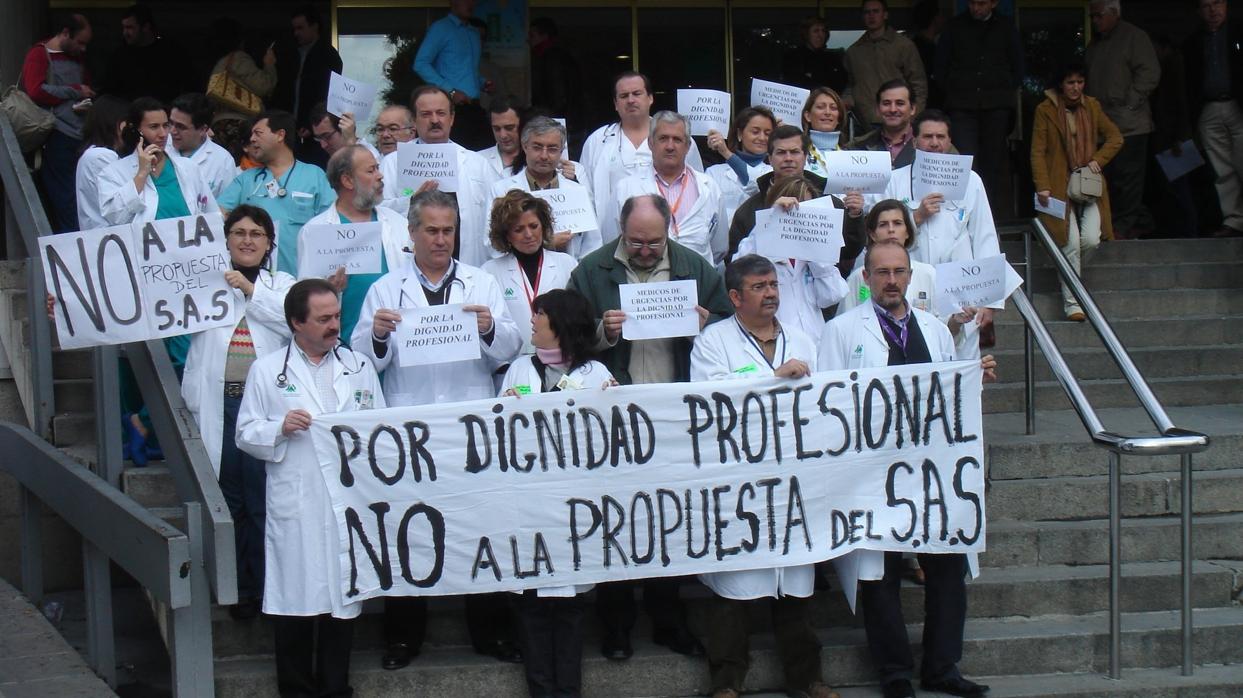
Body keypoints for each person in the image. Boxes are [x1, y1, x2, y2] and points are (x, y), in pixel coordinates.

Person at [351, 189, 522, 671]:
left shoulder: (481, 282)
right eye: (431, 230)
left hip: (470, 421)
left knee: (480, 526)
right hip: (409, 423)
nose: (441, 239)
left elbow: (508, 349)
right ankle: (403, 637)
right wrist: (379, 335)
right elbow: (362, 356)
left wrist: (490, 327)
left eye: (448, 231)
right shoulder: (386, 288)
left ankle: (490, 630)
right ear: (412, 233)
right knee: (408, 530)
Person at [818, 240, 995, 698]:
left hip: (932, 472)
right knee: (880, 573)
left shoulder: (935, 329)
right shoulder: (840, 331)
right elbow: (827, 404)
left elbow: (949, 399)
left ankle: (942, 667)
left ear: (911, 277)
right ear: (866, 278)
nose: (891, 280)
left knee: (947, 566)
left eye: (899, 272)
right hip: (871, 474)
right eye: (882, 273)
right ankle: (895, 672)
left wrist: (974, 377)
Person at [567, 193, 732, 661]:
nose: (644, 250)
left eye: (653, 241)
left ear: (670, 229)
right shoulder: (592, 269)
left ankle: (668, 621)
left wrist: (707, 322)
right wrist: (604, 333)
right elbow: (570, 338)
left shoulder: (694, 267)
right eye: (635, 242)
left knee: (669, 518)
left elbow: (728, 321)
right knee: (617, 519)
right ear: (621, 232)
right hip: (615, 413)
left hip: (674, 412)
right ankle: (616, 625)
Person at [690, 254, 840, 698]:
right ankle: (726, 682)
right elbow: (710, 403)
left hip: (794, 480)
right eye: (759, 286)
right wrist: (774, 378)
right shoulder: (713, 341)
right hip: (739, 482)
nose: (771, 292)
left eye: (773, 284)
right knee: (736, 590)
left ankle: (807, 679)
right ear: (735, 297)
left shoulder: (803, 338)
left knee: (795, 588)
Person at [235, 278, 384, 698]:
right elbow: (245, 433)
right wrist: (279, 428)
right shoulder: (267, 371)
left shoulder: (358, 367)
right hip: (297, 502)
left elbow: (382, 426)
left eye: (336, 316)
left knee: (343, 598)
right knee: (296, 602)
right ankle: (297, 691)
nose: (334, 325)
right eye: (323, 319)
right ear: (296, 323)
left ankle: (336, 688)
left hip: (347, 501)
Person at [497, 287, 613, 698]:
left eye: (539, 314)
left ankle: (569, 692)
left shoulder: (597, 376)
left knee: (569, 611)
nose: (532, 321)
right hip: (527, 512)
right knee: (531, 610)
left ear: (559, 324)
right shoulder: (517, 372)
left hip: (575, 513)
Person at [181, 205, 295, 620]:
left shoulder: (283, 284)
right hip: (220, 403)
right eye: (239, 232)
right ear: (225, 238)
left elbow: (292, 322)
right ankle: (240, 589)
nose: (247, 240)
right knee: (229, 500)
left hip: (263, 409)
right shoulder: (201, 283)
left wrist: (250, 291)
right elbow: (148, 310)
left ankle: (270, 588)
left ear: (269, 243)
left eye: (257, 234)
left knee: (263, 498)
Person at [879, 110, 999, 357]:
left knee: (963, 359)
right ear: (914, 141)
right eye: (928, 137)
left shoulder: (971, 181)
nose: (934, 143)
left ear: (949, 141)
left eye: (941, 137)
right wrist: (917, 216)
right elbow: (882, 235)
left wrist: (990, 301)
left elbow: (985, 236)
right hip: (911, 286)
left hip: (960, 289)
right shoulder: (895, 181)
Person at [1031, 63, 1123, 320]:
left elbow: (1115, 137)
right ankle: (1074, 303)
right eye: (1070, 82)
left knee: (1091, 239)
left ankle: (1066, 269)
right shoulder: (1045, 109)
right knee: (1069, 243)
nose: (1075, 87)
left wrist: (1098, 159)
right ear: (1061, 84)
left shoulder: (1091, 106)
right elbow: (1038, 150)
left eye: (1080, 82)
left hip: (1088, 184)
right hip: (1058, 185)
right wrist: (1043, 185)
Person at [378, 86, 499, 267]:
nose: (434, 120)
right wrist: (411, 201)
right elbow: (380, 214)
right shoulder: (392, 163)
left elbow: (496, 213)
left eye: (441, 113)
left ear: (452, 118)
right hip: (412, 265)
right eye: (426, 114)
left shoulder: (477, 163)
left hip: (468, 265)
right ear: (415, 120)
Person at [302, 145, 411, 343]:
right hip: (344, 344)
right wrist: (328, 290)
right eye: (371, 170)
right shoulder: (314, 231)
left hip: (397, 342)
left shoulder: (399, 224)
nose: (380, 176)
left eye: (378, 168)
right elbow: (304, 298)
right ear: (347, 180)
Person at [727, 125, 866, 277]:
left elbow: (848, 252)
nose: (788, 158)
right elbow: (735, 263)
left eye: (794, 152)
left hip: (821, 296)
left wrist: (854, 216)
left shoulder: (831, 204)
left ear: (805, 156)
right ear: (769, 158)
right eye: (781, 152)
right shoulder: (749, 210)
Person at [217, 110, 336, 275]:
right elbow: (216, 217)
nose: (252, 139)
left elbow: (332, 226)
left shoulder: (315, 176)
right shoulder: (245, 180)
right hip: (253, 284)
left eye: (258, 133)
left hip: (301, 282)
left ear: (280, 135)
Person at [580, 71, 704, 226]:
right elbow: (586, 196)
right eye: (624, 96)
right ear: (615, 104)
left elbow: (698, 187)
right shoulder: (597, 142)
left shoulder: (679, 139)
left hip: (672, 233)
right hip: (612, 236)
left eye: (637, 93)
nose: (631, 100)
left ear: (650, 98)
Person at [734, 177, 851, 339]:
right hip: (774, 341)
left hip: (814, 342)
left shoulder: (816, 252)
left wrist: (816, 254)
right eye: (794, 207)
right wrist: (771, 221)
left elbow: (831, 295)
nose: (801, 215)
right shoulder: (759, 242)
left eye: (807, 208)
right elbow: (739, 269)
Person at [934, 0, 1024, 208]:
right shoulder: (954, 27)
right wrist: (953, 87)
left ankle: (990, 213)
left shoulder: (1006, 26)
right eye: (973, 3)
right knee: (966, 162)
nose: (976, 8)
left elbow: (1018, 65)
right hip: (962, 106)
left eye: (982, 3)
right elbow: (940, 67)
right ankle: (964, 210)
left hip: (996, 105)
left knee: (994, 163)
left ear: (994, 3)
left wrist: (1005, 87)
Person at [605, 111, 723, 263]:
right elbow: (612, 242)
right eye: (663, 139)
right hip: (644, 281)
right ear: (650, 143)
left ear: (687, 146)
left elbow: (719, 248)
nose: (670, 146)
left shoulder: (709, 187)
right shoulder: (625, 188)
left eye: (677, 140)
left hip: (697, 280)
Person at [1085, 0, 1160, 239]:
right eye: (1092, 17)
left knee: (1129, 180)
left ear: (1114, 13)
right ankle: (1122, 223)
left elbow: (1150, 72)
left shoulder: (1134, 37)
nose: (1095, 21)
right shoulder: (1096, 44)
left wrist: (1131, 102)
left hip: (1131, 124)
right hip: (1103, 125)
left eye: (1098, 16)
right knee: (1110, 179)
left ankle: (1126, 226)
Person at [21, 12, 94, 232]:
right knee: (64, 198)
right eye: (79, 42)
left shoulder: (75, 57)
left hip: (80, 133)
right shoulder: (39, 54)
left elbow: (85, 85)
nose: (83, 49)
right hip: (57, 134)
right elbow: (35, 90)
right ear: (64, 33)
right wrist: (74, 92)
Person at [482, 190, 578, 356]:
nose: (528, 235)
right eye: (519, 229)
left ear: (544, 225)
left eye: (534, 226)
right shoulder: (490, 272)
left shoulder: (567, 263)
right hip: (512, 365)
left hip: (561, 363)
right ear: (506, 235)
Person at [490, 116, 601, 259]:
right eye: (537, 147)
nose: (544, 155)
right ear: (524, 146)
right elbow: (492, 243)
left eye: (552, 149)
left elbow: (593, 245)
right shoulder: (501, 191)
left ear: (561, 151)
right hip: (517, 273)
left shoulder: (576, 191)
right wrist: (546, 243)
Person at [98, 97, 219, 227]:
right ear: (135, 130)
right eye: (154, 127)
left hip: (189, 245)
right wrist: (141, 174)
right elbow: (115, 217)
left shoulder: (188, 167)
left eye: (165, 126)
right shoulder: (113, 173)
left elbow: (212, 216)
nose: (163, 134)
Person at [1184, 0, 1243, 237]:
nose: (1213, 10)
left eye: (1217, 3)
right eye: (1206, 5)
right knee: (1222, 169)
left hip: (1237, 105)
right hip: (1208, 107)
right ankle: (1235, 219)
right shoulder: (1193, 41)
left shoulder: (1238, 32)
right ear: (1198, 10)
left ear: (1227, 5)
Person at [837, 198, 937, 316]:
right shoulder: (857, 278)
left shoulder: (928, 273)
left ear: (907, 232)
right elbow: (845, 324)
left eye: (897, 223)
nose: (891, 230)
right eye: (883, 225)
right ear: (872, 234)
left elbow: (942, 326)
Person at [414, 0, 492, 150]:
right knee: (454, 158)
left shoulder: (474, 33)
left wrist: (483, 83)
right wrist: (450, 91)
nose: (471, 4)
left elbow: (467, 71)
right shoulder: (441, 28)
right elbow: (421, 64)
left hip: (474, 105)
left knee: (482, 153)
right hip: (451, 108)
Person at [844, 0, 927, 126]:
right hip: (865, 122)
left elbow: (918, 84)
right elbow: (849, 85)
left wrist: (914, 116)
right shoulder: (853, 51)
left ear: (885, 15)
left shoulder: (904, 46)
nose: (871, 16)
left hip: (900, 121)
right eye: (867, 12)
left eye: (876, 11)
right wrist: (848, 100)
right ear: (862, 16)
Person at [273, 5, 342, 155]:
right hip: (290, 128)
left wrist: (311, 123)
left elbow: (327, 94)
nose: (296, 33)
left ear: (314, 26)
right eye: (294, 29)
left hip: (316, 131)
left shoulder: (328, 55)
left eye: (300, 28)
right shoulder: (291, 55)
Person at [705, 107, 775, 245]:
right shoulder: (713, 172)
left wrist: (725, 152)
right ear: (740, 134)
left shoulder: (774, 172)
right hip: (721, 250)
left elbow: (754, 182)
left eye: (768, 133)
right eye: (755, 132)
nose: (762, 138)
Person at [101, 4, 190, 103]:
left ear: (145, 27)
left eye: (130, 27)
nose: (125, 32)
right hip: (128, 113)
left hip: (163, 113)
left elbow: (189, 84)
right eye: (124, 27)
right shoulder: (120, 55)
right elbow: (108, 91)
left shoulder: (171, 52)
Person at [206, 17, 278, 124]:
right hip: (239, 122)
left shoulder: (220, 63)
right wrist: (269, 65)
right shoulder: (239, 59)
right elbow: (263, 87)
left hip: (219, 122)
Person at [169, 93, 239, 197]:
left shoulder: (223, 162)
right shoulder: (159, 147)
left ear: (203, 129)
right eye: (170, 123)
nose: (172, 131)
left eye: (181, 127)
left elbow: (227, 206)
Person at [75, 95, 128, 230]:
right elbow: (120, 209)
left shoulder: (92, 154)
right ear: (119, 125)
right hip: (109, 239)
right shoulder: (101, 157)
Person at [844, 78, 918, 169]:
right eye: (886, 103)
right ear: (878, 109)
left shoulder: (929, 146)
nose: (893, 109)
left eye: (900, 103)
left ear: (913, 108)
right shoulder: (857, 146)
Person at [528, 17, 582, 128]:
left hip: (555, 119)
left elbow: (558, 94)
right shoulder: (554, 56)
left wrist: (549, 118)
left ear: (544, 36)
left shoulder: (552, 58)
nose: (528, 39)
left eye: (532, 35)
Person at [781, 16, 848, 94]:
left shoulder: (833, 59)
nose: (820, 35)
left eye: (823, 31)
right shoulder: (793, 58)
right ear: (806, 34)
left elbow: (842, 83)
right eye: (816, 31)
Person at [801, 88, 850, 178]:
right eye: (820, 107)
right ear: (808, 116)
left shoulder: (852, 157)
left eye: (833, 108)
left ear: (839, 117)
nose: (828, 112)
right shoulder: (798, 152)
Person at [307, 103, 376, 160]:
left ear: (344, 129)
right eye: (318, 138)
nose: (323, 145)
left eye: (327, 137)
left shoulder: (370, 156)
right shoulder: (332, 159)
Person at [911, 0, 946, 109]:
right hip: (929, 105)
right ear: (935, 19)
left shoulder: (913, 45)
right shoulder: (925, 49)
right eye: (941, 15)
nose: (943, 19)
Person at [479, 98, 522, 176]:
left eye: (509, 128)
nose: (503, 135)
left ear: (522, 124)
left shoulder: (537, 159)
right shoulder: (477, 159)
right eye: (497, 129)